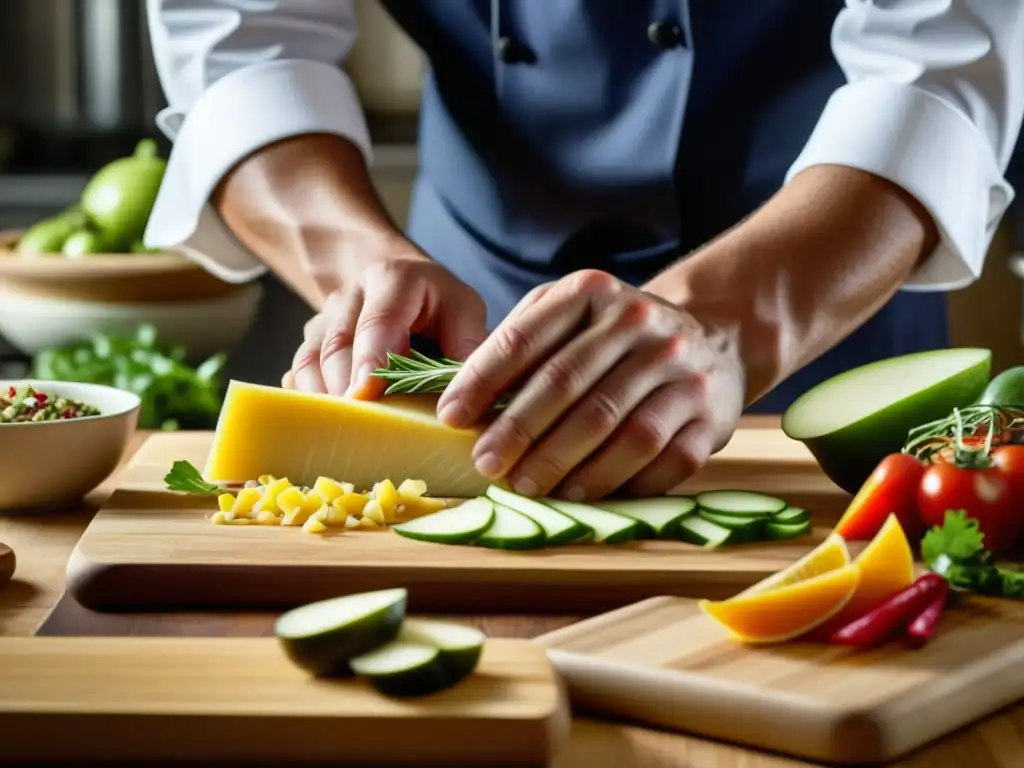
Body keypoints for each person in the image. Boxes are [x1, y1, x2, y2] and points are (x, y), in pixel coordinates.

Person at [143, 1, 1024, 501]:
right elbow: (245, 48)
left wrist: (729, 319)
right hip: (462, 287)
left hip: (826, 275)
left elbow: (940, 66)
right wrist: (360, 279)